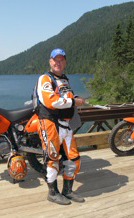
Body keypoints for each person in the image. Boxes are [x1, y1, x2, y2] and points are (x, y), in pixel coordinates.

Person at [36, 48, 85, 205]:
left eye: (61, 60)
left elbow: (66, 95)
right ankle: (52, 192)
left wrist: (74, 97)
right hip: (49, 122)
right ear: (50, 61)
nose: (58, 62)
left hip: (66, 124)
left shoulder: (63, 79)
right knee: (52, 158)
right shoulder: (45, 78)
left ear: (65, 62)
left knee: (74, 158)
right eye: (55, 60)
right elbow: (51, 101)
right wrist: (73, 102)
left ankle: (67, 190)